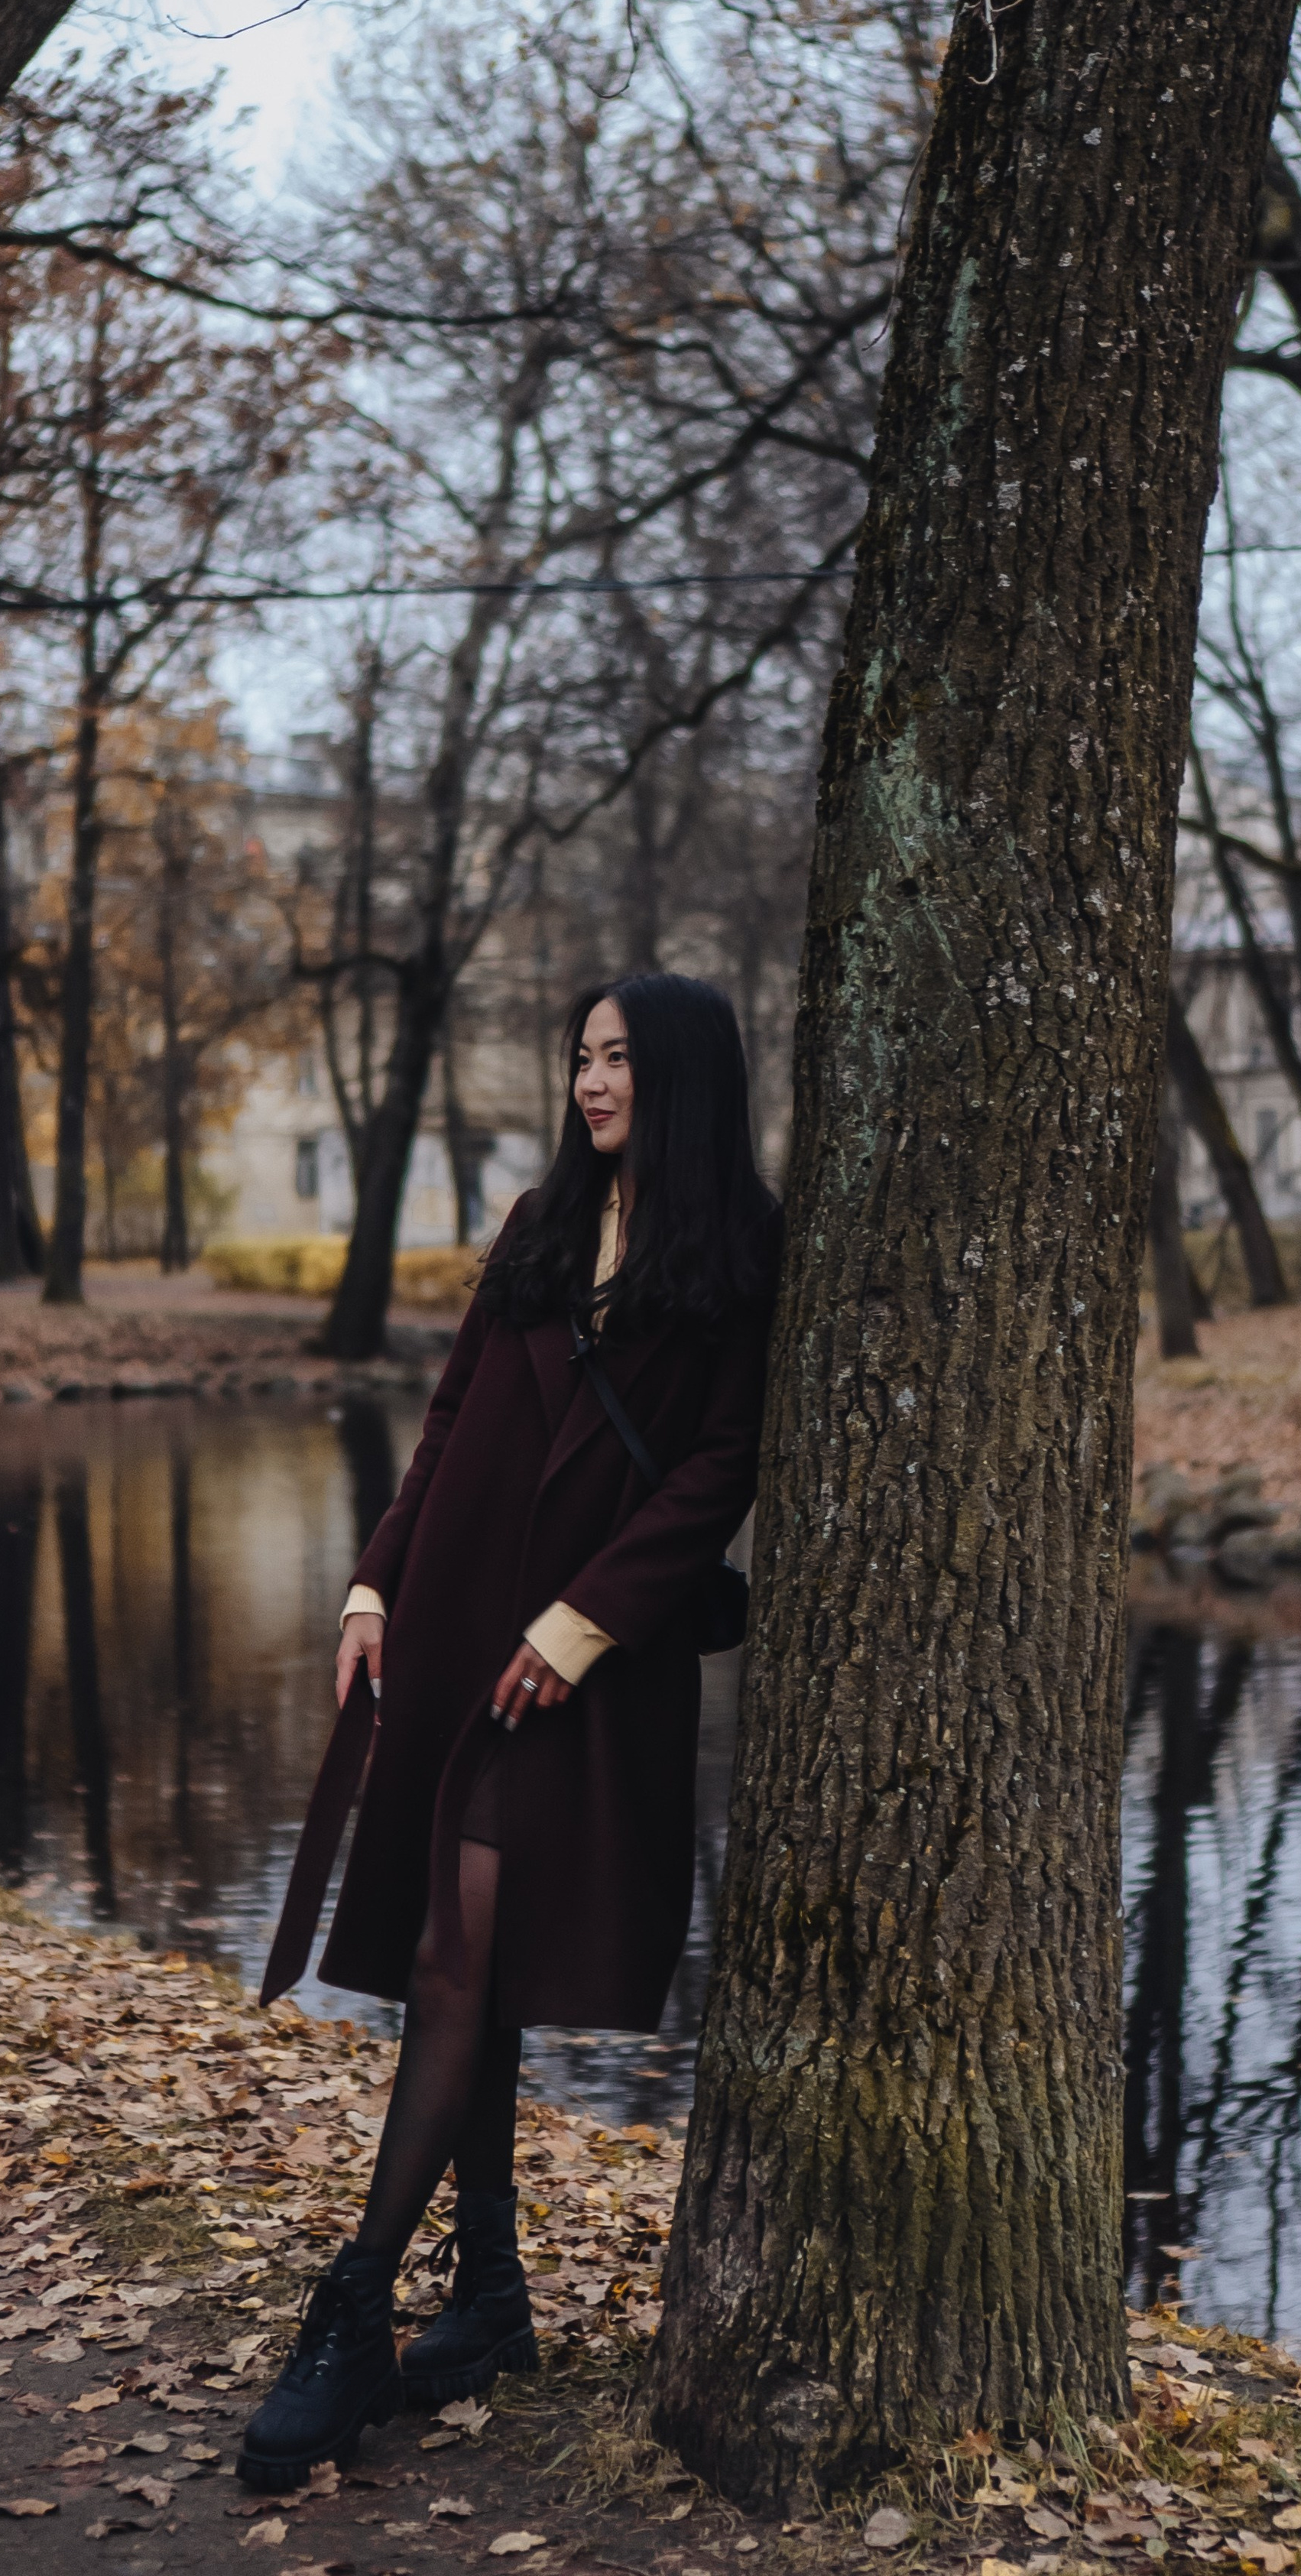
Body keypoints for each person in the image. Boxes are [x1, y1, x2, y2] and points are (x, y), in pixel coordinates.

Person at [238, 972, 781, 2491]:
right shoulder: (539, 1219)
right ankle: (482, 2296)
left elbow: (716, 1469)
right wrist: (368, 1585)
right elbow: (453, 1416)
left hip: (581, 1668)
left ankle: (358, 2304)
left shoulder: (738, 1250)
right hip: (462, 1618)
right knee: (456, 1961)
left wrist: (584, 1623)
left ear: (677, 1077)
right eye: (580, 1055)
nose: (591, 1079)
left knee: (464, 1955)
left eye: (617, 1059)